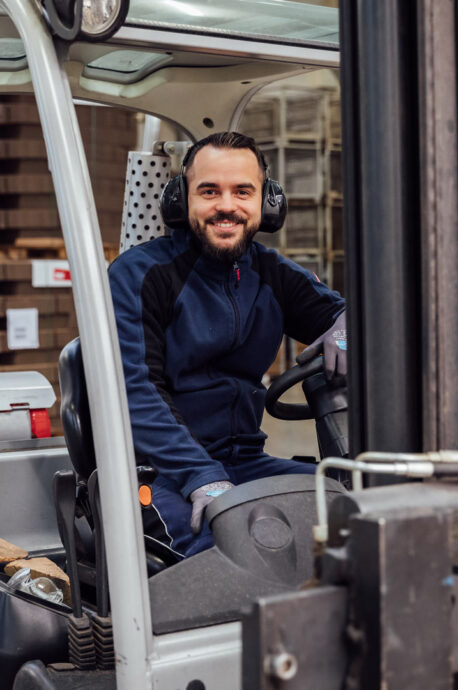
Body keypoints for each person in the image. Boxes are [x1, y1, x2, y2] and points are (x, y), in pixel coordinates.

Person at [109, 131, 346, 558]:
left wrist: (348, 330)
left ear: (267, 202)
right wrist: (201, 475)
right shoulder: (139, 275)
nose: (226, 206)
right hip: (159, 473)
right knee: (228, 559)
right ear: (182, 200)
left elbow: (342, 315)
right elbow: (135, 391)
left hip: (247, 460)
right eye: (209, 191)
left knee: (349, 513)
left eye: (242, 191)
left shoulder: (273, 274)